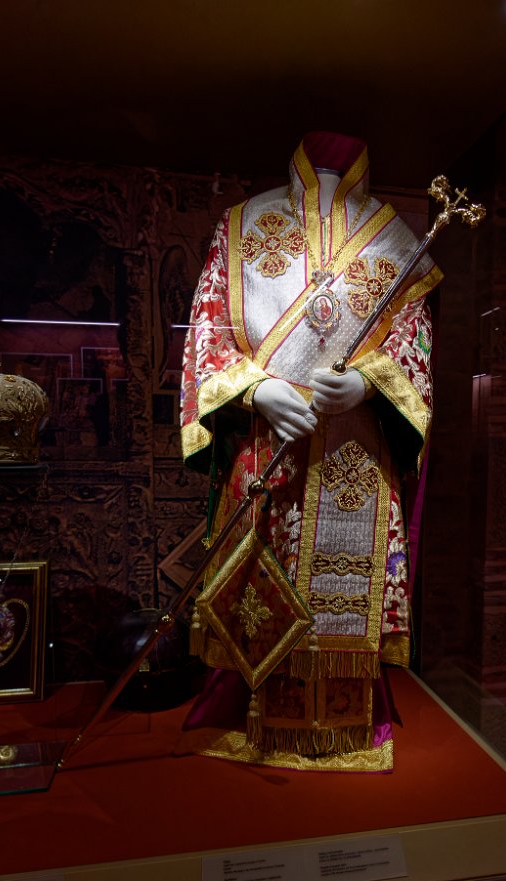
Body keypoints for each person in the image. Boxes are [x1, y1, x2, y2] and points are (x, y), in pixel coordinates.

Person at [178, 131, 442, 772]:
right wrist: (257, 389)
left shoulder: (394, 238)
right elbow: (208, 332)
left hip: (357, 449)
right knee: (261, 575)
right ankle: (255, 715)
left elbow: (414, 345)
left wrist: (368, 382)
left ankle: (345, 723)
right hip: (268, 443)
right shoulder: (242, 226)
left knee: (341, 592)